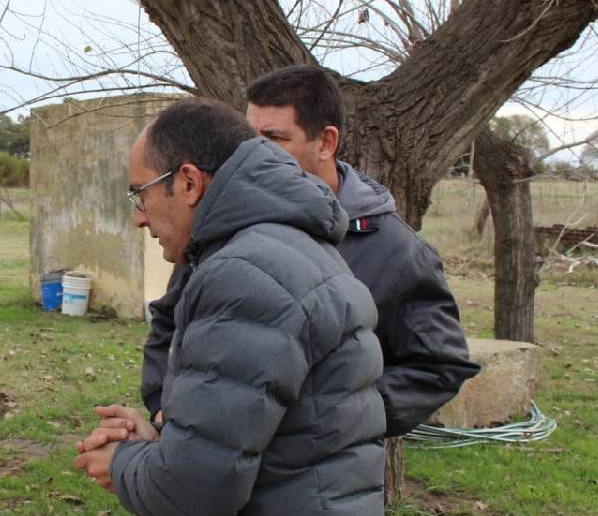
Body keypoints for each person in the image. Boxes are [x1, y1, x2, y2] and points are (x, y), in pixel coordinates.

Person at [74, 99, 407, 516]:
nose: (138, 217)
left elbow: (195, 490)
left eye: (140, 193)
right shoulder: (286, 248)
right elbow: (272, 435)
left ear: (188, 182)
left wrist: (120, 462)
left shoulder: (246, 273)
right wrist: (163, 440)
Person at [141, 66, 479, 436]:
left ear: (326, 143)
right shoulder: (221, 226)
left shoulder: (397, 251)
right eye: (248, 140)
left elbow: (438, 368)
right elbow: (170, 323)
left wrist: (329, 419)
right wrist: (164, 405)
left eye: (273, 137)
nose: (254, 154)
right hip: (216, 457)